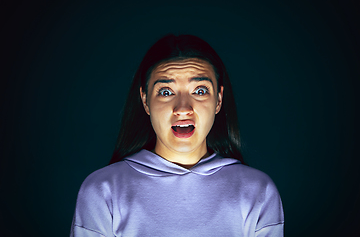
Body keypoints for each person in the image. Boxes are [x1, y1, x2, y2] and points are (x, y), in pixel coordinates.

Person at [70, 34, 284, 237]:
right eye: (166, 92)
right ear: (145, 101)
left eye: (200, 90)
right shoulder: (102, 190)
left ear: (218, 100)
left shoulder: (258, 192)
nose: (183, 108)